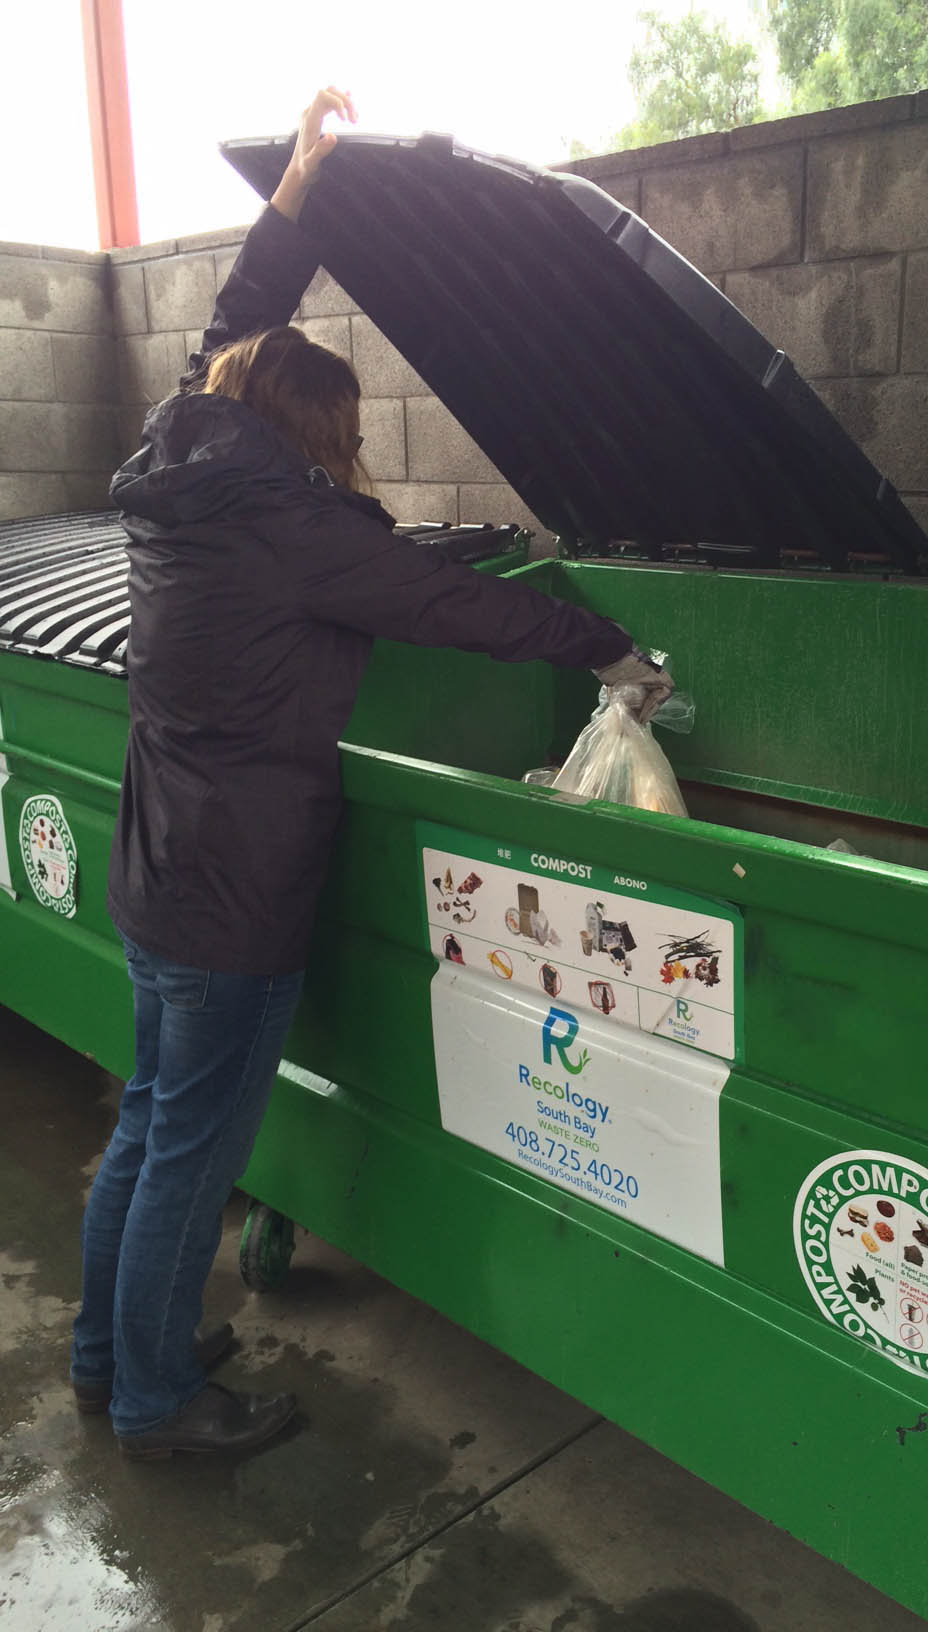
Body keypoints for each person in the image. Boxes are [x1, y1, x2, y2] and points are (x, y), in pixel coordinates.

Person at [70, 87, 673, 1462]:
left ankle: (111, 1356)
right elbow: (463, 608)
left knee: (151, 1117)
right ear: (306, 431)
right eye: (341, 434)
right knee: (190, 1151)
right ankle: (158, 1403)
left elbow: (233, 318)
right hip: (234, 900)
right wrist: (608, 647)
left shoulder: (180, 459)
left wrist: (297, 200)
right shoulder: (291, 525)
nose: (350, 458)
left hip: (156, 866)